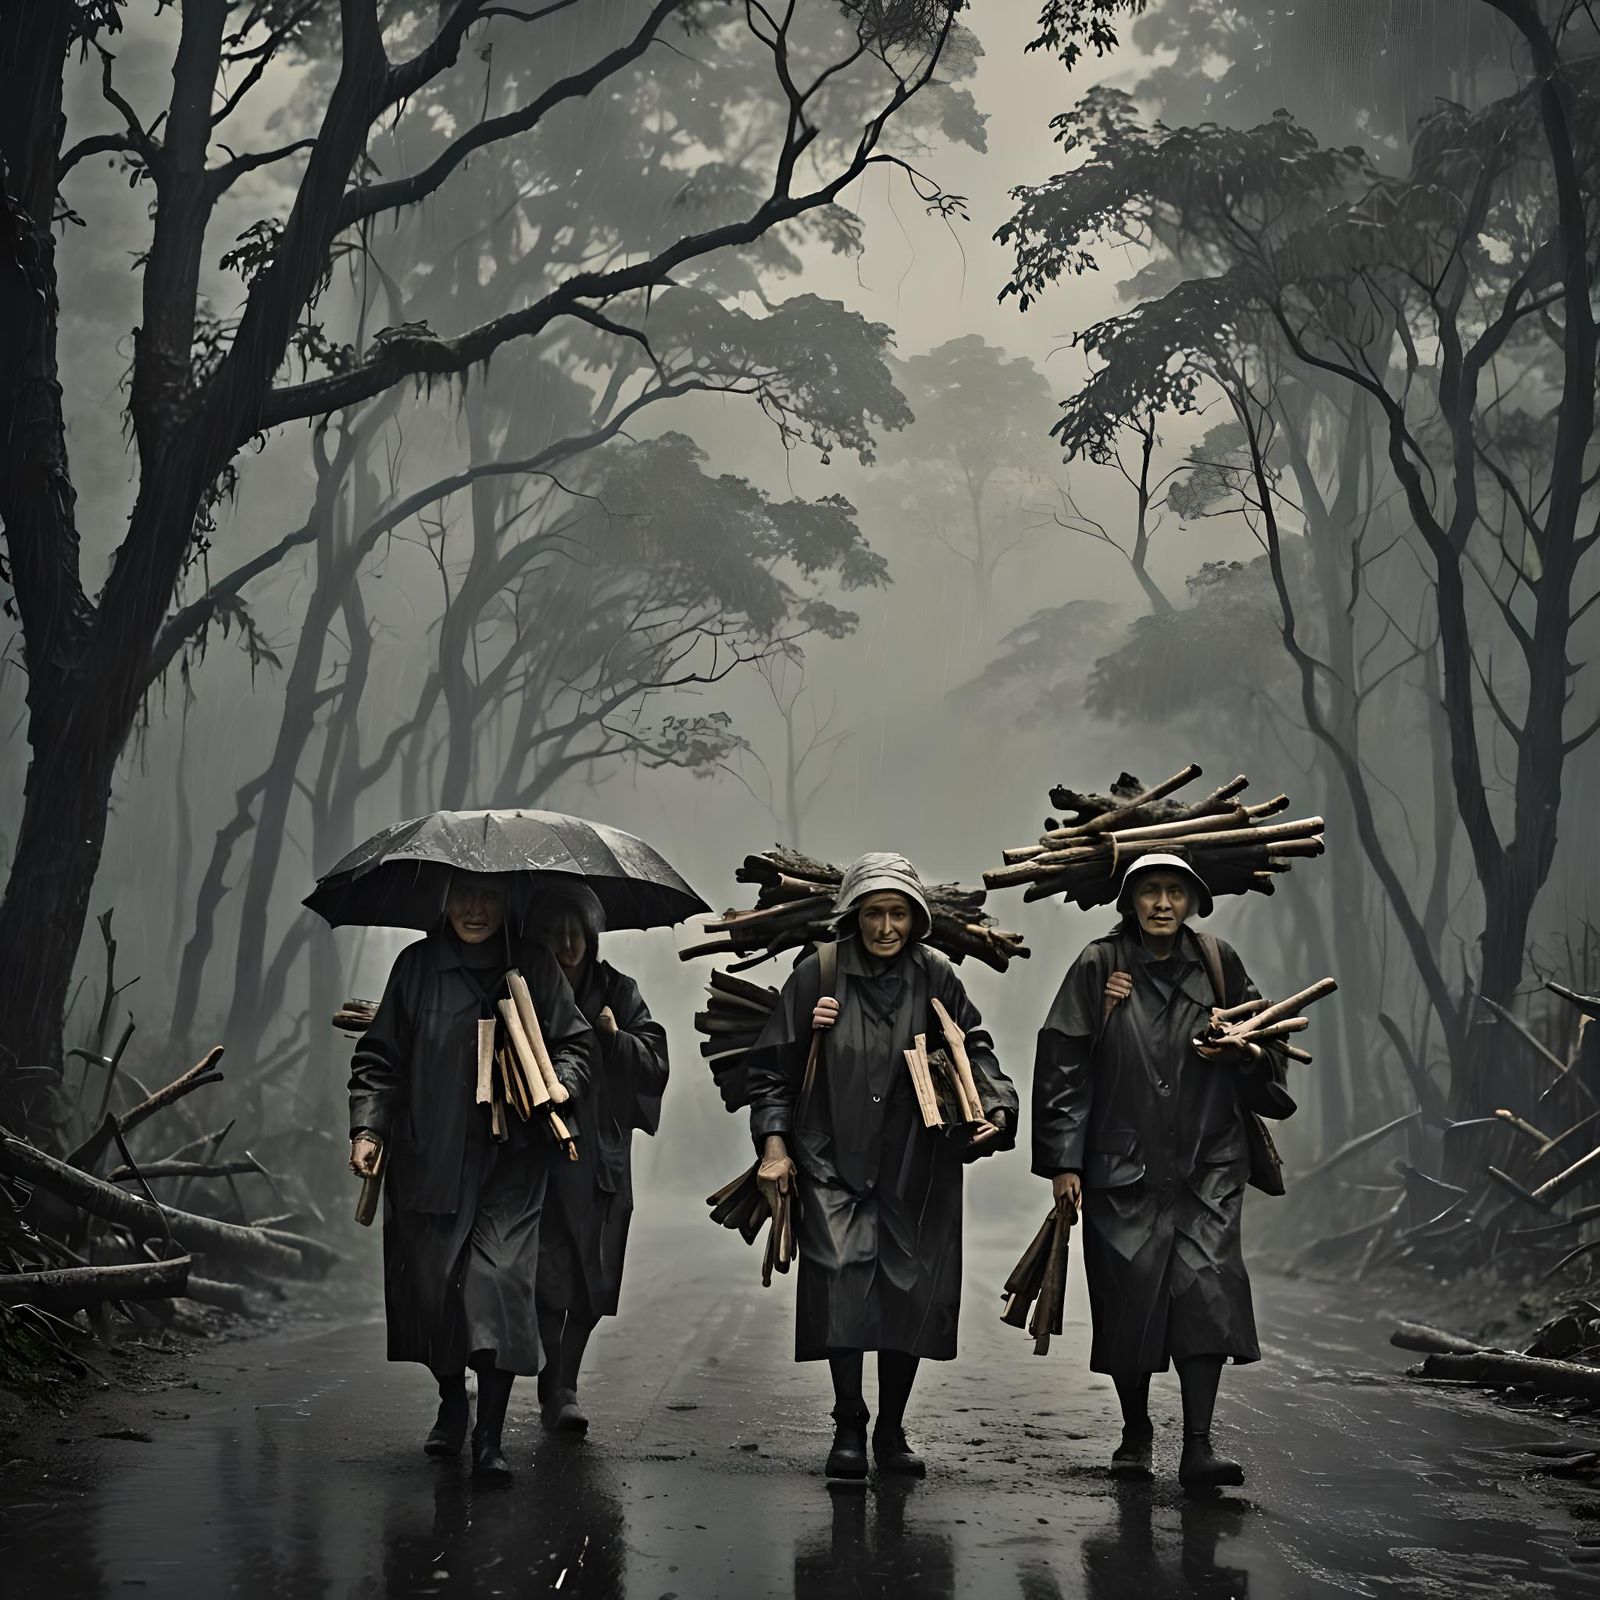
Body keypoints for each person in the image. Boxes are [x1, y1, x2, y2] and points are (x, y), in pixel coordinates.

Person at [744, 852, 1018, 1479]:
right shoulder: (819, 974)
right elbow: (770, 1071)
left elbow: (974, 1046)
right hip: (830, 1157)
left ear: (917, 919)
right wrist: (775, 1146)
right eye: (873, 913)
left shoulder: (936, 976)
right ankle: (849, 1424)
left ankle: (892, 1429)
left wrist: (995, 1109)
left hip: (916, 1163)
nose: (886, 927)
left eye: (898, 913)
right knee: (840, 1282)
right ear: (853, 916)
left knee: (908, 1292)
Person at [1031, 851, 1294, 1492]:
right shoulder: (1101, 964)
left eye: (1175, 891)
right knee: (1131, 1299)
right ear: (1130, 901)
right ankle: (1135, 1430)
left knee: (1207, 1291)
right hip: (1123, 1165)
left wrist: (1246, 1050)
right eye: (1149, 891)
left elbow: (1271, 1044)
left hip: (1209, 1161)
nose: (1162, 904)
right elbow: (1063, 1061)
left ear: (1194, 901)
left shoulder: (1218, 963)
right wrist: (1064, 1162)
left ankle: (1198, 1445)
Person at [349, 871, 593, 1484]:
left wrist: (560, 1082)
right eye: (463, 896)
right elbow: (380, 1059)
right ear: (445, 900)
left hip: (511, 1168)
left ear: (507, 903)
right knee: (438, 1298)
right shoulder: (416, 968)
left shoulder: (534, 967)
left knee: (500, 1288)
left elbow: (576, 1045)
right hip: (429, 1162)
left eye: (488, 897)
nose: (476, 909)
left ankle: (489, 1437)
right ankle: (452, 1400)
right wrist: (369, 1129)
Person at [530, 881, 669, 1434]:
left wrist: (616, 1040)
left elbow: (656, 1059)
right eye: (554, 932)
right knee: (544, 1269)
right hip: (541, 1150)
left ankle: (566, 1374)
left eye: (576, 933)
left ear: (592, 937)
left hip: (604, 1157)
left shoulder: (618, 989)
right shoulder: (522, 989)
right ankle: (556, 1379)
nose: (565, 945)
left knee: (596, 1272)